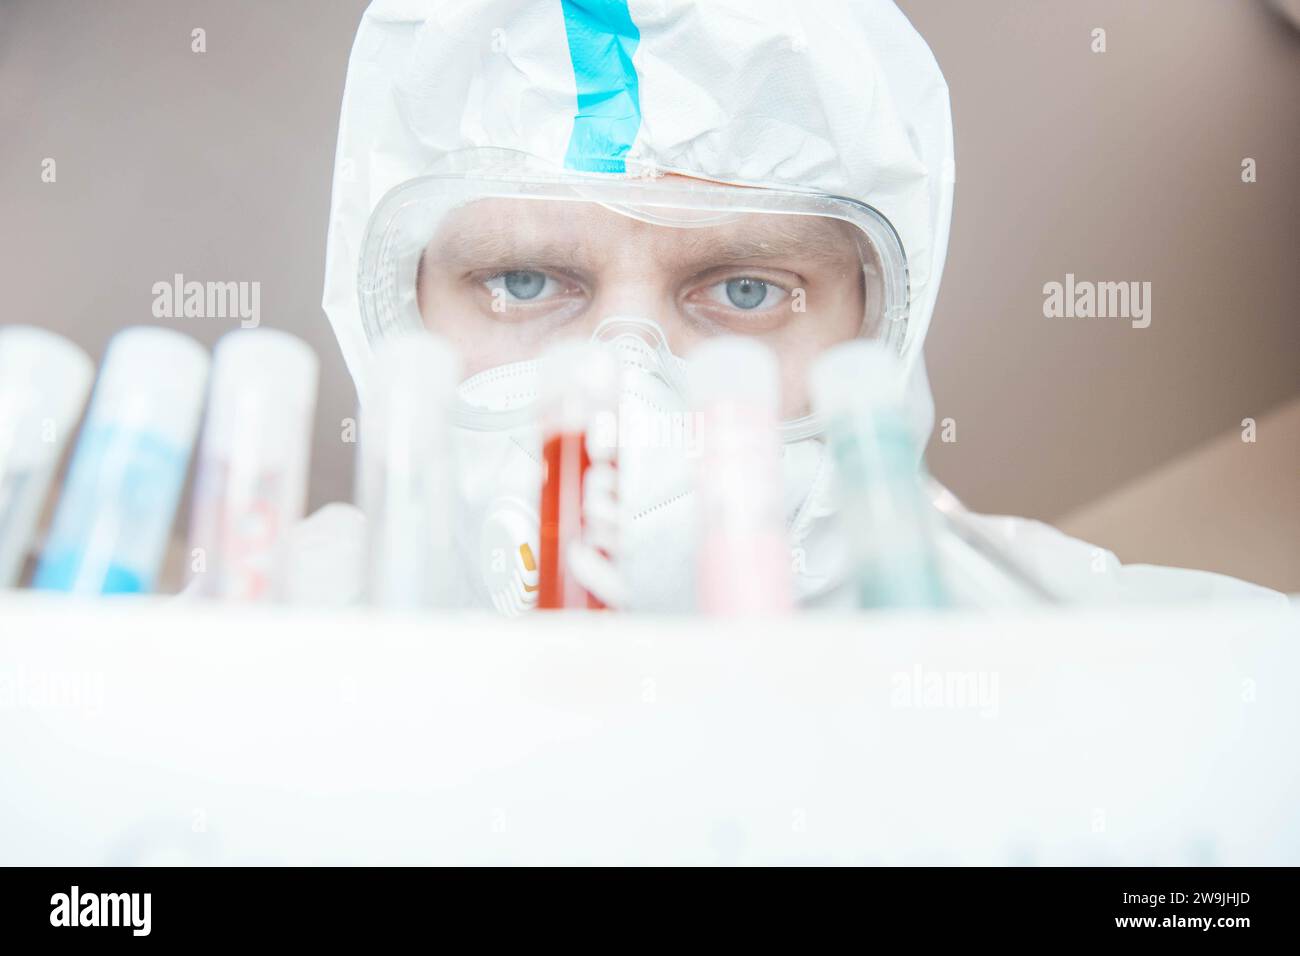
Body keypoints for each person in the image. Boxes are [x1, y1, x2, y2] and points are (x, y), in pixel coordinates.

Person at [301, 0, 1281, 610]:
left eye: (744, 288)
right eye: (522, 281)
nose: (624, 393)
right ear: (394, 306)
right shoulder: (228, 652)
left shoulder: (1124, 666)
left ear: (875, 334)